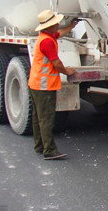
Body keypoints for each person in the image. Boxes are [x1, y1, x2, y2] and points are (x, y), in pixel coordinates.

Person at [28, 10, 78, 160]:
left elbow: (60, 33)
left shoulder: (46, 37)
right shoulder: (47, 42)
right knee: (46, 118)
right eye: (55, 23)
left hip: (36, 83)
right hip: (44, 85)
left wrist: (71, 26)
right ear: (49, 26)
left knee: (37, 117)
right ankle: (49, 150)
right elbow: (56, 62)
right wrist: (67, 72)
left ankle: (39, 146)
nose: (57, 24)